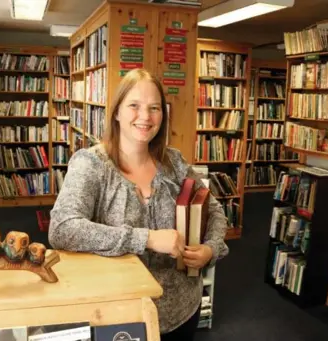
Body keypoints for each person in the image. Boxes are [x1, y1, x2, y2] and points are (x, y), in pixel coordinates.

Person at [48, 68, 229, 340]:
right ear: (117, 112)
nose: (145, 116)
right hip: (118, 316)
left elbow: (213, 210)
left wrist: (210, 249)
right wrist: (146, 239)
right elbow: (62, 229)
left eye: (154, 108)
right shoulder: (91, 164)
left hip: (181, 312)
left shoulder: (175, 163)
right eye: (134, 105)